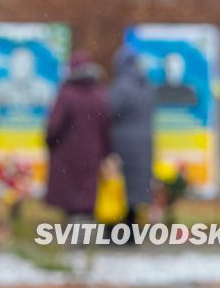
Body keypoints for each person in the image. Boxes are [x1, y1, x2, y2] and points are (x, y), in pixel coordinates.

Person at [45, 52, 111, 221]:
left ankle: (74, 235)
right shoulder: (99, 95)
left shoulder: (66, 95)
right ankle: (85, 234)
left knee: (70, 197)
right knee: (87, 195)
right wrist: (105, 151)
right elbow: (106, 127)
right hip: (92, 154)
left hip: (67, 155)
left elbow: (53, 127)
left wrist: (51, 143)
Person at [108, 46, 155, 226]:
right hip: (145, 143)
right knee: (137, 189)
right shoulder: (147, 86)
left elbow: (109, 112)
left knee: (121, 187)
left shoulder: (121, 87)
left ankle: (116, 230)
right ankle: (132, 230)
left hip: (123, 144)